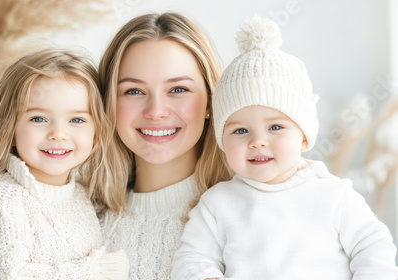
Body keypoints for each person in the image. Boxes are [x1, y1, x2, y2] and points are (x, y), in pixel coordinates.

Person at [171, 16, 398, 280]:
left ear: (303, 136)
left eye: (275, 127)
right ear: (223, 143)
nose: (258, 141)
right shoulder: (217, 204)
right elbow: (191, 258)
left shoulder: (334, 195)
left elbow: (373, 246)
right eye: (240, 131)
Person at [0, 49, 129, 280]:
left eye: (76, 120)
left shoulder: (80, 197)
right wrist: (92, 271)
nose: (58, 133)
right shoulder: (4, 201)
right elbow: (6, 276)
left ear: (96, 135)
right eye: (38, 119)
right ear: (10, 130)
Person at [97, 13, 233, 280]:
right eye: (134, 91)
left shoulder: (243, 213)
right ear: (108, 104)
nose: (156, 111)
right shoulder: (85, 216)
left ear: (210, 102)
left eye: (178, 89)